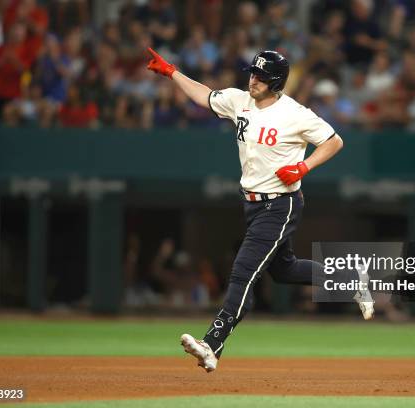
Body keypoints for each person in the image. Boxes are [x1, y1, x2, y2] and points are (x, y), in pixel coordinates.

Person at [146, 48, 374, 373]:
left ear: (276, 81)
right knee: (284, 271)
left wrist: (304, 167)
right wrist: (172, 72)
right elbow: (205, 96)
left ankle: (212, 344)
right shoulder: (241, 101)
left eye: (261, 76)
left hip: (280, 204)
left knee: (243, 271)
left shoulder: (294, 113)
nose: (253, 79)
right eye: (253, 72)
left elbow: (334, 141)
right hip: (252, 204)